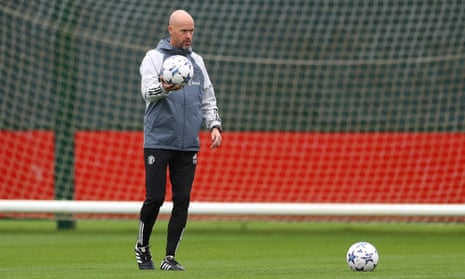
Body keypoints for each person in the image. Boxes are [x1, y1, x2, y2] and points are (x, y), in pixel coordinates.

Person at [135, 9, 222, 271]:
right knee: (155, 198)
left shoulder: (197, 61)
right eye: (184, 30)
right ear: (170, 30)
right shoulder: (154, 58)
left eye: (192, 30)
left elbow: (208, 96)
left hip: (188, 143)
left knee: (182, 199)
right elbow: (147, 92)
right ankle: (142, 247)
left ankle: (169, 258)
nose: (189, 36)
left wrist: (214, 125)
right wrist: (165, 87)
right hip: (159, 140)